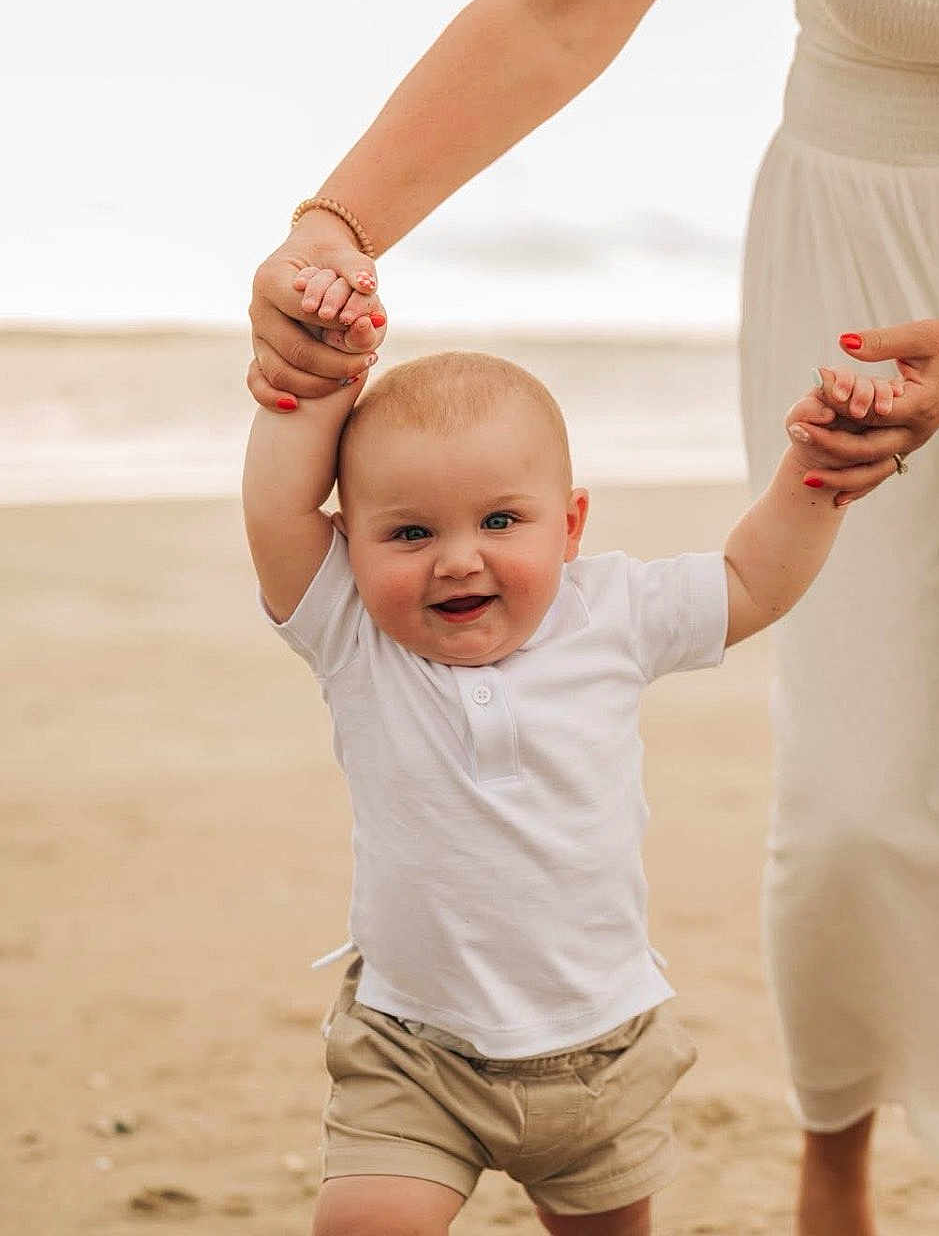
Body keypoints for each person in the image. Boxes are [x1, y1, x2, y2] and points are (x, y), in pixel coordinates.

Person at [246, 0, 939, 1231]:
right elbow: (557, 7)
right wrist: (337, 228)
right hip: (852, 251)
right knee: (857, 783)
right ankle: (833, 1130)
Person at [242, 346, 901, 1236]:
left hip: (600, 1052)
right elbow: (275, 506)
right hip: (413, 1050)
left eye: (502, 520)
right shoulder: (353, 634)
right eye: (409, 534)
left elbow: (752, 579)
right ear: (346, 544)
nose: (457, 560)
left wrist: (815, 477)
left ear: (571, 522)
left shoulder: (612, 614)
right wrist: (313, 392)